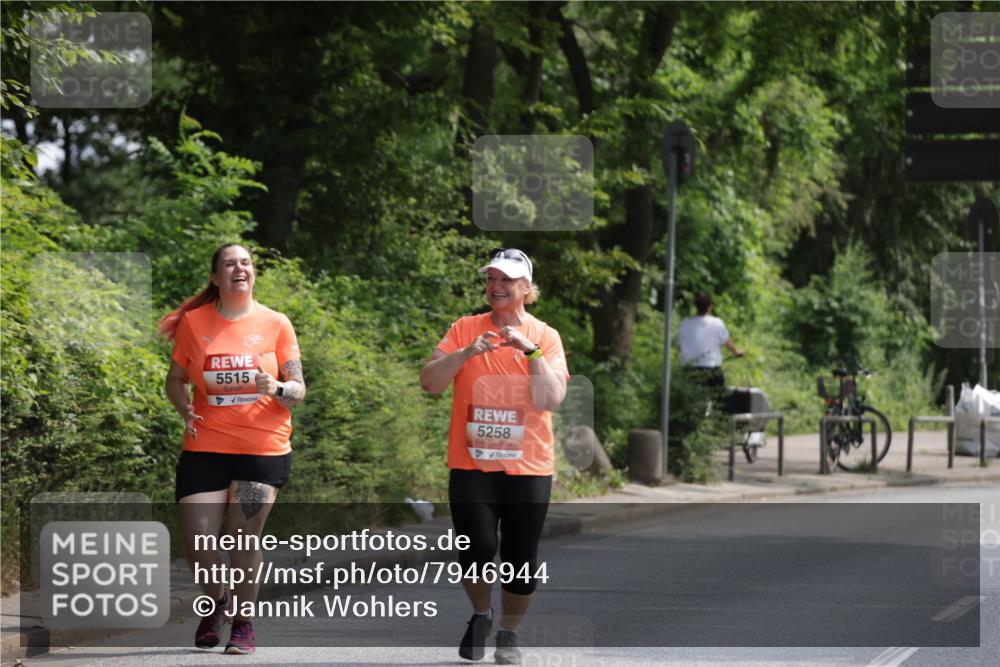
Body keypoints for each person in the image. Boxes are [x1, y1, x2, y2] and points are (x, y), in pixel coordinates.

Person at [420, 248, 569, 665]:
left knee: (521, 560)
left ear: (526, 288)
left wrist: (531, 352)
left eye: (507, 280)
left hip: (529, 467)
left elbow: (552, 398)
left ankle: (508, 634)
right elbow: (430, 383)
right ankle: (481, 614)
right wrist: (467, 352)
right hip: (472, 464)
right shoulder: (464, 328)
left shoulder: (545, 336)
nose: (497, 287)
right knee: (476, 549)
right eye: (492, 279)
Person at [159, 243, 305, 655]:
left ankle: (243, 623)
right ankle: (218, 603)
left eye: (245, 262)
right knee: (199, 539)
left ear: (253, 273)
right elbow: (175, 379)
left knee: (243, 537)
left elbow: (298, 390)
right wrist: (183, 407)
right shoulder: (194, 323)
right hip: (205, 445)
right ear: (215, 277)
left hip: (262, 448)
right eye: (229, 263)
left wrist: (275, 387)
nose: (239, 268)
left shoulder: (276, 323)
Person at [677, 290, 744, 389]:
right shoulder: (716, 323)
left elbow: (679, 345)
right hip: (710, 370)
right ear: (710, 307)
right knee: (719, 398)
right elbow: (727, 342)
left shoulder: (685, 323)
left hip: (689, 371)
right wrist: (736, 351)